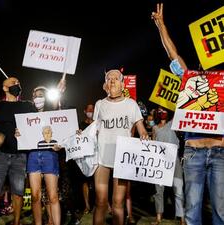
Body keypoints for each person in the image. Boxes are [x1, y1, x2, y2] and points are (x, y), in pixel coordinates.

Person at [152, 3, 224, 224]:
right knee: (192, 211)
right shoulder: (189, 78)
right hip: (193, 153)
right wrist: (161, 26)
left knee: (221, 211)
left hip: (220, 153)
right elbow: (172, 53)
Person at [93, 69, 148, 225]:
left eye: (115, 78)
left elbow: (141, 128)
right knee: (101, 201)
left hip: (123, 159)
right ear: (105, 84)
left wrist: (144, 135)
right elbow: (93, 130)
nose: (112, 80)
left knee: (118, 202)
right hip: (102, 158)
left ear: (123, 84)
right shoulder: (100, 104)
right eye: (108, 78)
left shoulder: (131, 104)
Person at [0, 77, 37, 225]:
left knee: (18, 193)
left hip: (20, 156)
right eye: (13, 83)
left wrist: (26, 133)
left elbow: (38, 126)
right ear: (5, 88)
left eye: (19, 83)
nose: (17, 85)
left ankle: (16, 222)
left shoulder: (27, 106)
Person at [27, 86, 61, 225]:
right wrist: (19, 133)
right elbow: (24, 136)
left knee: (52, 196)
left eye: (40, 95)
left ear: (46, 98)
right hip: (33, 156)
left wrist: (60, 144)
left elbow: (63, 133)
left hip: (50, 156)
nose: (37, 98)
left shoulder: (54, 114)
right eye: (35, 96)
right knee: (35, 196)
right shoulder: (27, 115)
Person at [151, 107, 185, 225]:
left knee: (178, 189)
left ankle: (182, 218)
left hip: (174, 161)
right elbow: (153, 144)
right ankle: (158, 217)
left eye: (164, 111)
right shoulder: (155, 128)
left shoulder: (173, 124)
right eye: (159, 111)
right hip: (160, 162)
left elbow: (178, 113)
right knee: (158, 191)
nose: (162, 113)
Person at [78, 104, 94, 215]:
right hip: (84, 158)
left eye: (92, 109)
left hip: (96, 156)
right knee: (85, 182)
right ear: (85, 111)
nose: (91, 111)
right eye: (89, 109)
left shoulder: (98, 124)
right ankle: (87, 206)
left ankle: (105, 204)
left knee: (99, 182)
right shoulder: (80, 125)